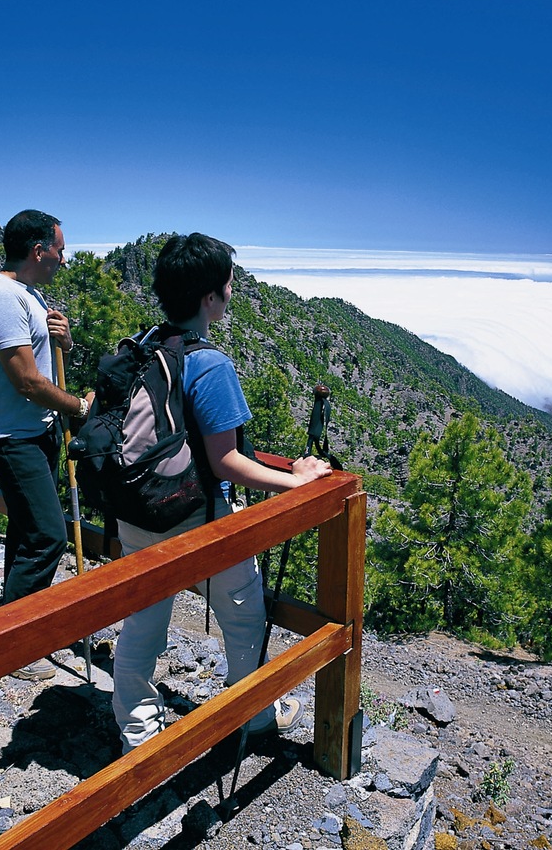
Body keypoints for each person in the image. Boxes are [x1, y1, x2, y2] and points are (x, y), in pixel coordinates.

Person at [112, 232, 333, 752]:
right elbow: (227, 462)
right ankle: (254, 714)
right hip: (193, 519)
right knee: (243, 611)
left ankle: (138, 731)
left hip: (137, 508)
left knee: (142, 617)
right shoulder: (210, 364)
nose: (232, 292)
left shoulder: (144, 346)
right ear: (209, 297)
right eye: (228, 284)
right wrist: (295, 480)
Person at [0, 209, 93, 681]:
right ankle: (14, 649)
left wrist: (60, 336)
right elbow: (24, 379)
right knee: (48, 535)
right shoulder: (0, 296)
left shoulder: (29, 293)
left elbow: (41, 356)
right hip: (11, 437)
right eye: (60, 250)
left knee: (26, 530)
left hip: (33, 432)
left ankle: (12, 616)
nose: (64, 259)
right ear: (39, 250)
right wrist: (76, 407)